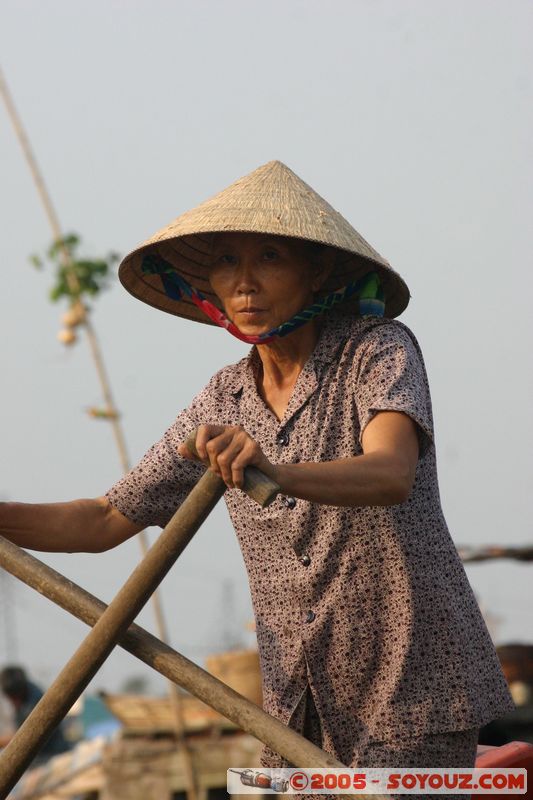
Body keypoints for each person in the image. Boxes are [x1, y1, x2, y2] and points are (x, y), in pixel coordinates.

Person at [0, 161, 514, 774]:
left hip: (412, 687)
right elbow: (105, 519)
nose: (244, 284)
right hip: (297, 698)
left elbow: (390, 472)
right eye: (227, 263)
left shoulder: (376, 349)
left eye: (269, 258)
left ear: (315, 272)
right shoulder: (223, 400)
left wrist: (278, 471)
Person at [0, 666, 71, 765]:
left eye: (14, 698)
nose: (13, 702)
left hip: (50, 755)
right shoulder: (25, 691)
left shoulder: (35, 704)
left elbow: (23, 739)